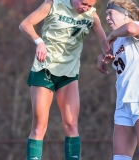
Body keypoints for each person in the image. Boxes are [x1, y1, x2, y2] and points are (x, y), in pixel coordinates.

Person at [19, 0, 109, 159]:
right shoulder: (53, 4)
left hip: (69, 74)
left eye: (89, 5)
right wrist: (38, 41)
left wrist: (105, 56)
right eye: (84, 3)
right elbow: (25, 24)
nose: (85, 8)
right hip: (44, 71)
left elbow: (104, 43)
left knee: (71, 125)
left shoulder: (91, 16)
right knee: (39, 126)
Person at [97, 0, 139, 159]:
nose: (107, 18)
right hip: (123, 103)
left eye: (110, 13)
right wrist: (102, 59)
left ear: (125, 15)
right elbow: (107, 56)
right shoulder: (117, 40)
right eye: (105, 15)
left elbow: (131, 28)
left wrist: (112, 34)